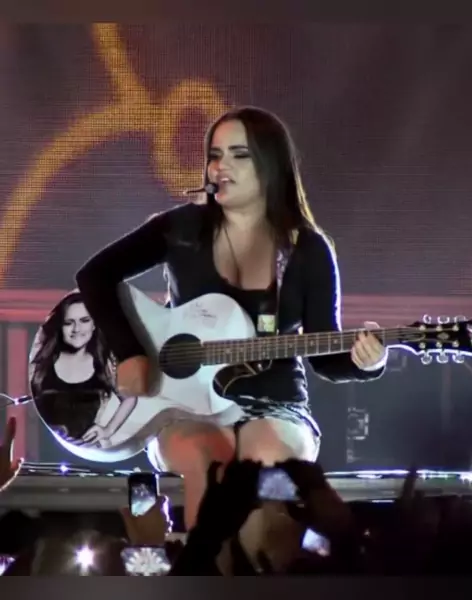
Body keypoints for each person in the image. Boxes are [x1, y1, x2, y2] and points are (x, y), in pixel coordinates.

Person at [76, 106, 387, 530]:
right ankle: (207, 565)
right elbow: (94, 276)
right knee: (204, 455)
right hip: (184, 407)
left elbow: (324, 355)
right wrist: (130, 353)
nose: (220, 166)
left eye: (239, 155)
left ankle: (256, 561)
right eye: (215, 155)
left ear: (271, 165)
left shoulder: (308, 249)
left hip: (277, 405)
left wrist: (366, 362)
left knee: (264, 458)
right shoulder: (180, 228)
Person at [30, 291, 137, 448]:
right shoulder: (42, 364)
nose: (77, 329)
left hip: (85, 451)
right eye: (69, 322)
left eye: (84, 320)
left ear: (94, 324)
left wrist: (108, 430)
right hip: (42, 450)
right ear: (60, 326)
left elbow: (130, 398)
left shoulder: (103, 364)